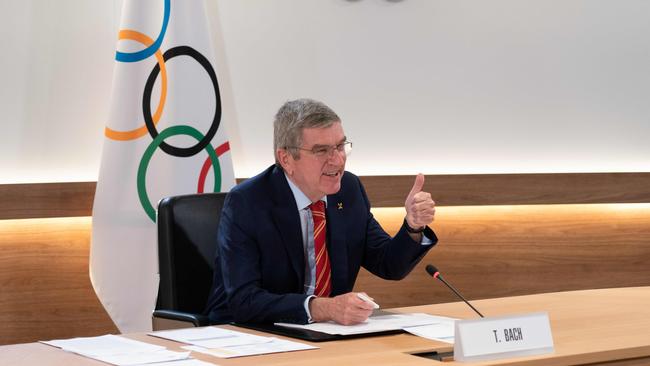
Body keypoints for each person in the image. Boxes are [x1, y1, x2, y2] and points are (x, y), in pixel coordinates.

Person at [205, 98, 437, 325]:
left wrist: (413, 227)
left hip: (325, 335)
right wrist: (322, 308)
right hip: (251, 336)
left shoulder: (349, 190)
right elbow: (244, 301)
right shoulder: (248, 202)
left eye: (340, 146)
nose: (337, 160)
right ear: (286, 159)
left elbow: (389, 265)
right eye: (322, 150)